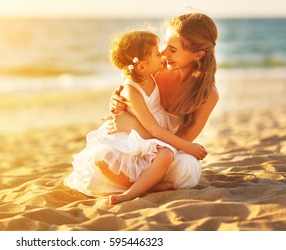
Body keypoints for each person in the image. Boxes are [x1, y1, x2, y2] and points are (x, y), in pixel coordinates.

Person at [64, 30, 207, 205]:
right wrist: (187, 146)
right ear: (141, 67)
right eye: (156, 53)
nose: (161, 54)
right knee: (103, 158)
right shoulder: (132, 89)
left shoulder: (149, 73)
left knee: (167, 156)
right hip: (135, 134)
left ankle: (145, 185)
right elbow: (152, 129)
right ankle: (133, 191)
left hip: (152, 132)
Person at [107, 12, 219, 195]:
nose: (164, 53)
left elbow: (182, 142)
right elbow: (131, 90)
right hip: (138, 144)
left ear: (198, 55)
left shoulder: (207, 94)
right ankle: (141, 184)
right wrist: (117, 99)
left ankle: (141, 183)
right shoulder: (156, 71)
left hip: (166, 151)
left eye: (173, 50)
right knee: (107, 156)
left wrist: (135, 125)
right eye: (165, 45)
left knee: (188, 168)